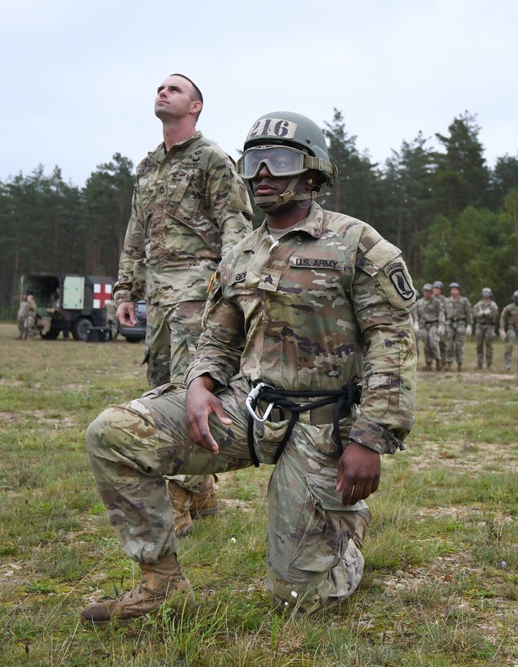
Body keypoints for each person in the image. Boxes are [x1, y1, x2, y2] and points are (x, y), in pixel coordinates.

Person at [82, 111, 416, 624]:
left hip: (323, 428)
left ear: (312, 174)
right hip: (250, 411)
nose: (262, 174)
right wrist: (199, 383)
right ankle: (161, 582)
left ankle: (345, 538)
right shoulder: (240, 253)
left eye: (278, 162)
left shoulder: (357, 244)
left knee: (299, 600)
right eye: (254, 162)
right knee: (113, 433)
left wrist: (369, 439)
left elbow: (391, 346)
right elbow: (219, 336)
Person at [112, 73, 254, 536]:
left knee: (187, 390)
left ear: (195, 107)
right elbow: (137, 231)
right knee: (159, 387)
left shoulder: (211, 158)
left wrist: (228, 283)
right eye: (159, 87)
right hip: (157, 294)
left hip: (197, 291)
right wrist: (125, 290)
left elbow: (235, 222)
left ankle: (177, 498)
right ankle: (203, 489)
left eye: (174, 89)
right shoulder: (148, 165)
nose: (162, 92)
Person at [442, 282, 472, 371]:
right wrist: (442, 324)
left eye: (456, 289)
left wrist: (469, 325)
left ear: (459, 291)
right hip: (449, 324)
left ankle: (459, 363)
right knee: (448, 345)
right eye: (452, 289)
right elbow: (443, 313)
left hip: (460, 323)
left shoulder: (464, 301)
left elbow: (468, 313)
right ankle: (448, 363)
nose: (454, 291)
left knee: (459, 345)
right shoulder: (446, 301)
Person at [415, 282, 445, 371]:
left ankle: (438, 360)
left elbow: (441, 313)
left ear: (431, 292)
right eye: (425, 291)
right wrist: (415, 323)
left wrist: (441, 325)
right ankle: (428, 363)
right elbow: (416, 314)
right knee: (426, 345)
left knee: (433, 342)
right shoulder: (419, 302)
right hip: (423, 325)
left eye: (428, 291)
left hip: (433, 324)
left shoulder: (436, 302)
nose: (426, 293)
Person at [472, 287, 499, 369]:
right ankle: (479, 364)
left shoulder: (493, 305)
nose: (485, 295)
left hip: (489, 326)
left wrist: (487, 314)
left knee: (489, 345)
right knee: (479, 345)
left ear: (490, 295)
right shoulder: (478, 304)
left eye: (487, 293)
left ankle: (489, 364)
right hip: (480, 325)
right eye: (484, 293)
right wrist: (479, 314)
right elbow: (474, 313)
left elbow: (494, 315)